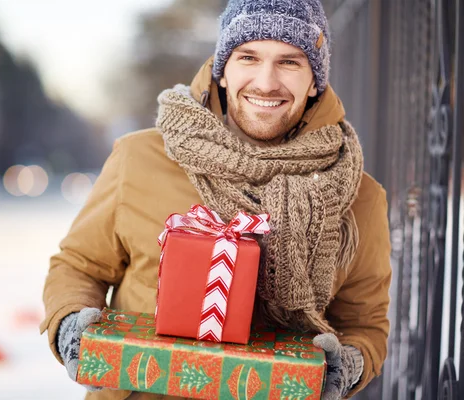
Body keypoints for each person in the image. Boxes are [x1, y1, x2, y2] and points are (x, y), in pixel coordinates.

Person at [40, 1, 392, 399]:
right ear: (222, 70)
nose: (266, 81)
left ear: (315, 81)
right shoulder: (140, 158)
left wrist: (348, 365)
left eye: (289, 62)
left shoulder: (358, 195)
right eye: (248, 57)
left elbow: (366, 324)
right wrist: (71, 324)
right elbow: (77, 266)